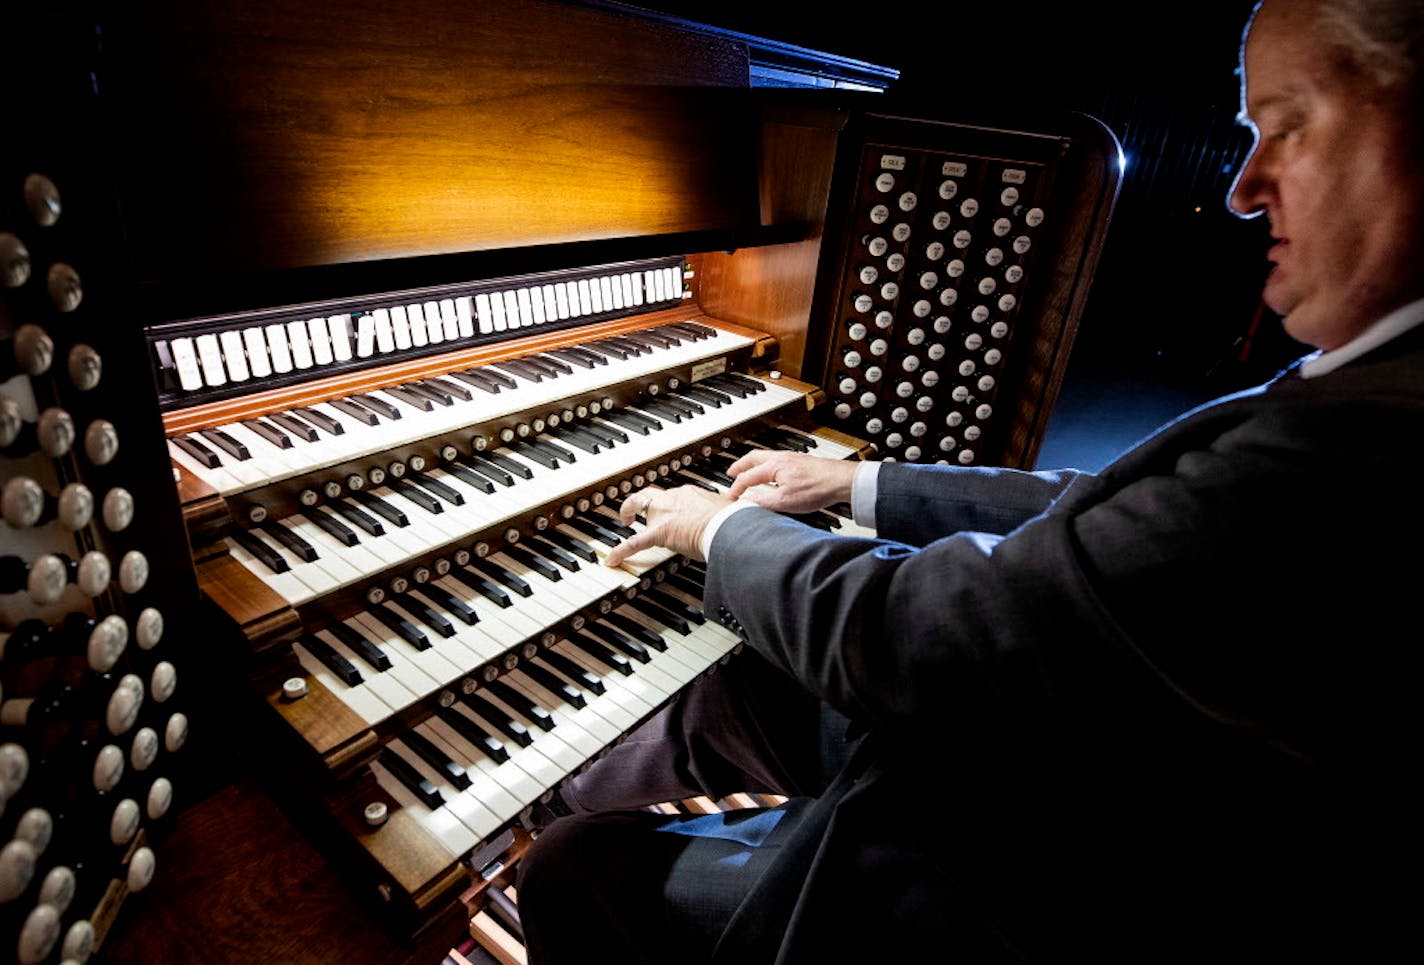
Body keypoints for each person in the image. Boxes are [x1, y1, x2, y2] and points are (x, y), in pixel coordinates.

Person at [514, 0, 1424, 960]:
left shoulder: (1365, 445)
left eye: (1285, 125)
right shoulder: (1381, 384)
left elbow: (909, 639)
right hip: (1098, 757)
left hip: (1038, 871)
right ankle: (539, 802)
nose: (1243, 188)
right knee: (750, 678)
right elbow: (1105, 507)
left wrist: (717, 531)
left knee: (576, 868)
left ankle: (575, 845)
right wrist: (858, 487)